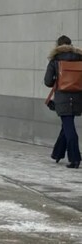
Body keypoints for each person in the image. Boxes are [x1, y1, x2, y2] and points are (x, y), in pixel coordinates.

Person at [45, 35, 82, 169]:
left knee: (69, 126)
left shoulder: (55, 59)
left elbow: (48, 82)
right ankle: (57, 153)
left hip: (63, 98)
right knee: (66, 125)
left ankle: (75, 158)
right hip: (78, 97)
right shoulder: (80, 58)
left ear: (58, 46)